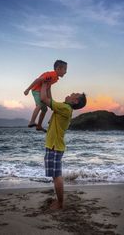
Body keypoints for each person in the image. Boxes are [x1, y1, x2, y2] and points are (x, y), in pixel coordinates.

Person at [40, 81, 87, 210]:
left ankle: (60, 203)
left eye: (74, 94)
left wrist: (44, 82)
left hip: (55, 146)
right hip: (54, 146)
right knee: (55, 175)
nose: (71, 93)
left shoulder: (65, 108)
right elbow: (50, 100)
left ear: (75, 101)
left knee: (56, 176)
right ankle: (59, 200)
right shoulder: (64, 107)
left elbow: (44, 99)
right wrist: (49, 86)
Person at [24, 60, 67, 132]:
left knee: (45, 110)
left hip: (42, 91)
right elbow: (38, 80)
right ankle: (32, 121)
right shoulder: (51, 75)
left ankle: (39, 126)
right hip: (36, 90)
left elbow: (48, 87)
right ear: (58, 69)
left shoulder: (55, 78)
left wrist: (51, 99)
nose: (65, 72)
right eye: (65, 69)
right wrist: (28, 89)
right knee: (39, 105)